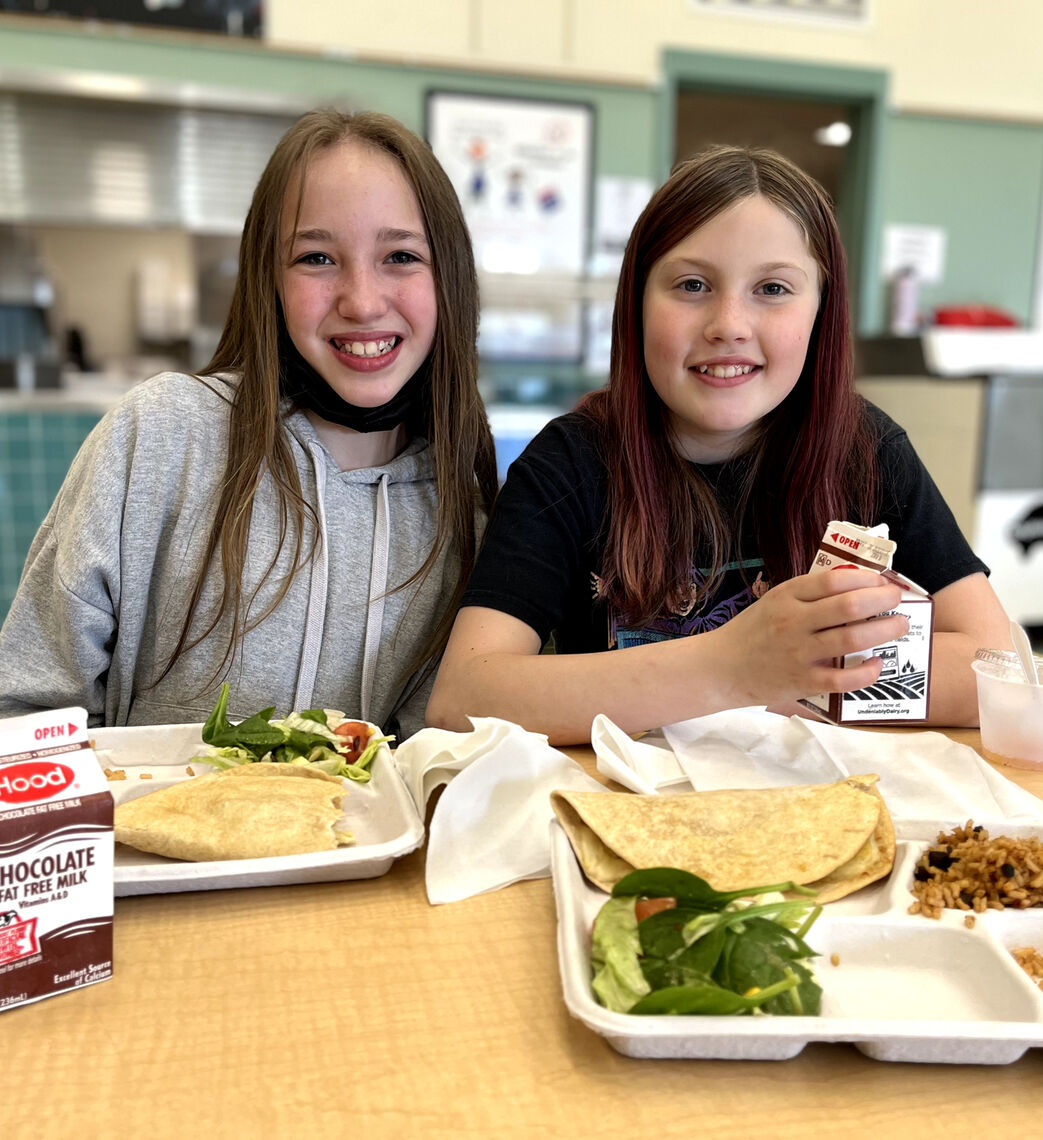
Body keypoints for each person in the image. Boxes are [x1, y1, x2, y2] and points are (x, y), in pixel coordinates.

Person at [427, 144, 1009, 744]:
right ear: (635, 305)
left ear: (821, 312)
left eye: (774, 289)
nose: (728, 323)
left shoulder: (867, 451)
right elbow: (464, 699)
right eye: (693, 284)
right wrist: (731, 669)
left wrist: (800, 673)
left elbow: (999, 669)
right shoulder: (571, 464)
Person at [0, 109, 496, 739]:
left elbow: (428, 773)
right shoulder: (162, 437)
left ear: (450, 276)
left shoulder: (462, 520)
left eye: (399, 255)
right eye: (316, 257)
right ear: (267, 278)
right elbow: (26, 717)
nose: (362, 301)